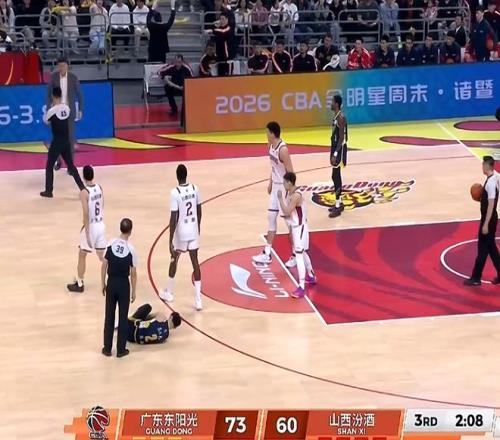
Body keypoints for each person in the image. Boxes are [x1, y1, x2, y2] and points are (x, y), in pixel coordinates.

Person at [159, 164, 203, 311]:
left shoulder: (175, 193)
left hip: (182, 232)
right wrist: (198, 228)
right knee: (195, 262)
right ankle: (198, 300)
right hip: (193, 229)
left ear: (177, 177)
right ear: (186, 175)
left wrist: (170, 239)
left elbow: (173, 218)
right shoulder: (195, 189)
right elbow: (199, 211)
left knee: (174, 259)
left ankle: (169, 292)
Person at [252, 121, 295, 266]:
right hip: (275, 186)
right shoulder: (269, 146)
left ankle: (295, 253)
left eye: (267, 132)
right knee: (271, 217)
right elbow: (273, 167)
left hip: (284, 188)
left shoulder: (283, 149)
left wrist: (290, 192)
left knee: (289, 223)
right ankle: (267, 253)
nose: (265, 134)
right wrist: (270, 182)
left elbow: (291, 172)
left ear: (272, 133)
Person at [101, 218, 137, 358]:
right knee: (123, 317)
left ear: (120, 228)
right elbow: (133, 273)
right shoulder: (131, 250)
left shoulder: (110, 244)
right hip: (123, 285)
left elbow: (104, 265)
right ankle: (121, 349)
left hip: (111, 282)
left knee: (109, 316)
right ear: (130, 231)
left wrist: (103, 283)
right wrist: (134, 290)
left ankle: (107, 348)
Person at [67, 165, 107, 293]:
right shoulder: (99, 187)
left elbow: (86, 213)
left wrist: (87, 232)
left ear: (83, 176)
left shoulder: (84, 192)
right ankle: (115, 275)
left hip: (91, 226)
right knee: (103, 257)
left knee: (82, 254)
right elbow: (102, 204)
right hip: (101, 224)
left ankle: (79, 283)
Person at [277, 172, 316, 298]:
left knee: (299, 256)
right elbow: (292, 213)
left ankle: (301, 287)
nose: (283, 185)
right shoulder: (292, 193)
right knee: (302, 253)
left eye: (284, 182)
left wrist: (280, 199)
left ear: (289, 182)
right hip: (297, 227)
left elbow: (287, 211)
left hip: (300, 229)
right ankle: (311, 276)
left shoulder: (296, 196)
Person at [40, 87, 85, 198]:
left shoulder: (51, 111)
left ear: (53, 96)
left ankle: (49, 191)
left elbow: (46, 121)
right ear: (61, 95)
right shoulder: (66, 108)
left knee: (49, 165)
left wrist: (51, 108)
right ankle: (82, 187)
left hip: (57, 142)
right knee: (71, 165)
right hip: (66, 141)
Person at [464, 156, 500, 286]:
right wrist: (482, 198)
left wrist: (485, 224)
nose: (482, 167)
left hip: (488, 219)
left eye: (483, 165)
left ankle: (476, 278)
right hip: (492, 218)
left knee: (482, 250)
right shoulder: (496, 177)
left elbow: (491, 204)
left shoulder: (490, 183)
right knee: (492, 249)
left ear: (487, 166)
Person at [46, 57, 83, 171]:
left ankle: (70, 166)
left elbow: (79, 94)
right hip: (56, 113)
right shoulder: (53, 77)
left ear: (67, 66)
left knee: (70, 139)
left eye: (63, 66)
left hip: (69, 112)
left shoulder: (73, 78)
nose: (61, 68)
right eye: (60, 66)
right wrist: (48, 110)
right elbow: (48, 94)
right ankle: (58, 160)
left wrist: (80, 109)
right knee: (57, 139)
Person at [158, 54, 193, 122]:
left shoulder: (186, 68)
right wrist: (166, 77)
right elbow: (159, 72)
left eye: (179, 62)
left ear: (182, 61)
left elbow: (192, 78)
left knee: (188, 90)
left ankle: (185, 109)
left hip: (184, 87)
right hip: (174, 87)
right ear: (174, 61)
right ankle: (174, 109)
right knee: (167, 87)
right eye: (176, 62)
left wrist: (185, 86)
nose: (177, 64)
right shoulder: (171, 66)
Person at [329, 94, 347, 218]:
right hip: (335, 148)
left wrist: (335, 153)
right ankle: (339, 202)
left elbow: (342, 138)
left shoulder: (341, 118)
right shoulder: (336, 117)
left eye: (332, 101)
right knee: (335, 176)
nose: (330, 103)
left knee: (335, 176)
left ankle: (337, 205)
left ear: (336, 104)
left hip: (339, 150)